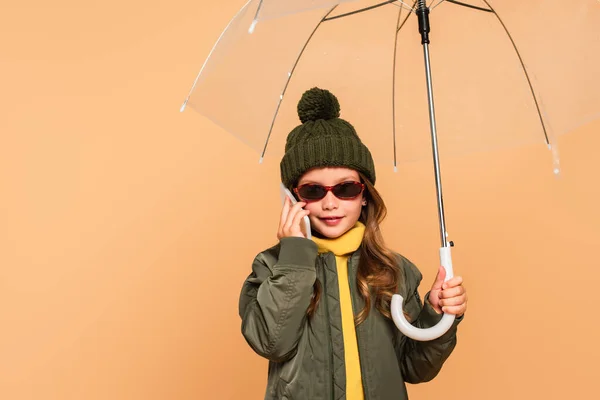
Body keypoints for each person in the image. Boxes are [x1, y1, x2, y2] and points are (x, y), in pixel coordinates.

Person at [238, 87, 467, 400]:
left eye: (345, 189)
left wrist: (437, 316)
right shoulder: (271, 267)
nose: (330, 204)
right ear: (292, 198)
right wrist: (294, 258)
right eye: (313, 191)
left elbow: (415, 368)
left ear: (364, 195)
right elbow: (271, 342)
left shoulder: (394, 270)